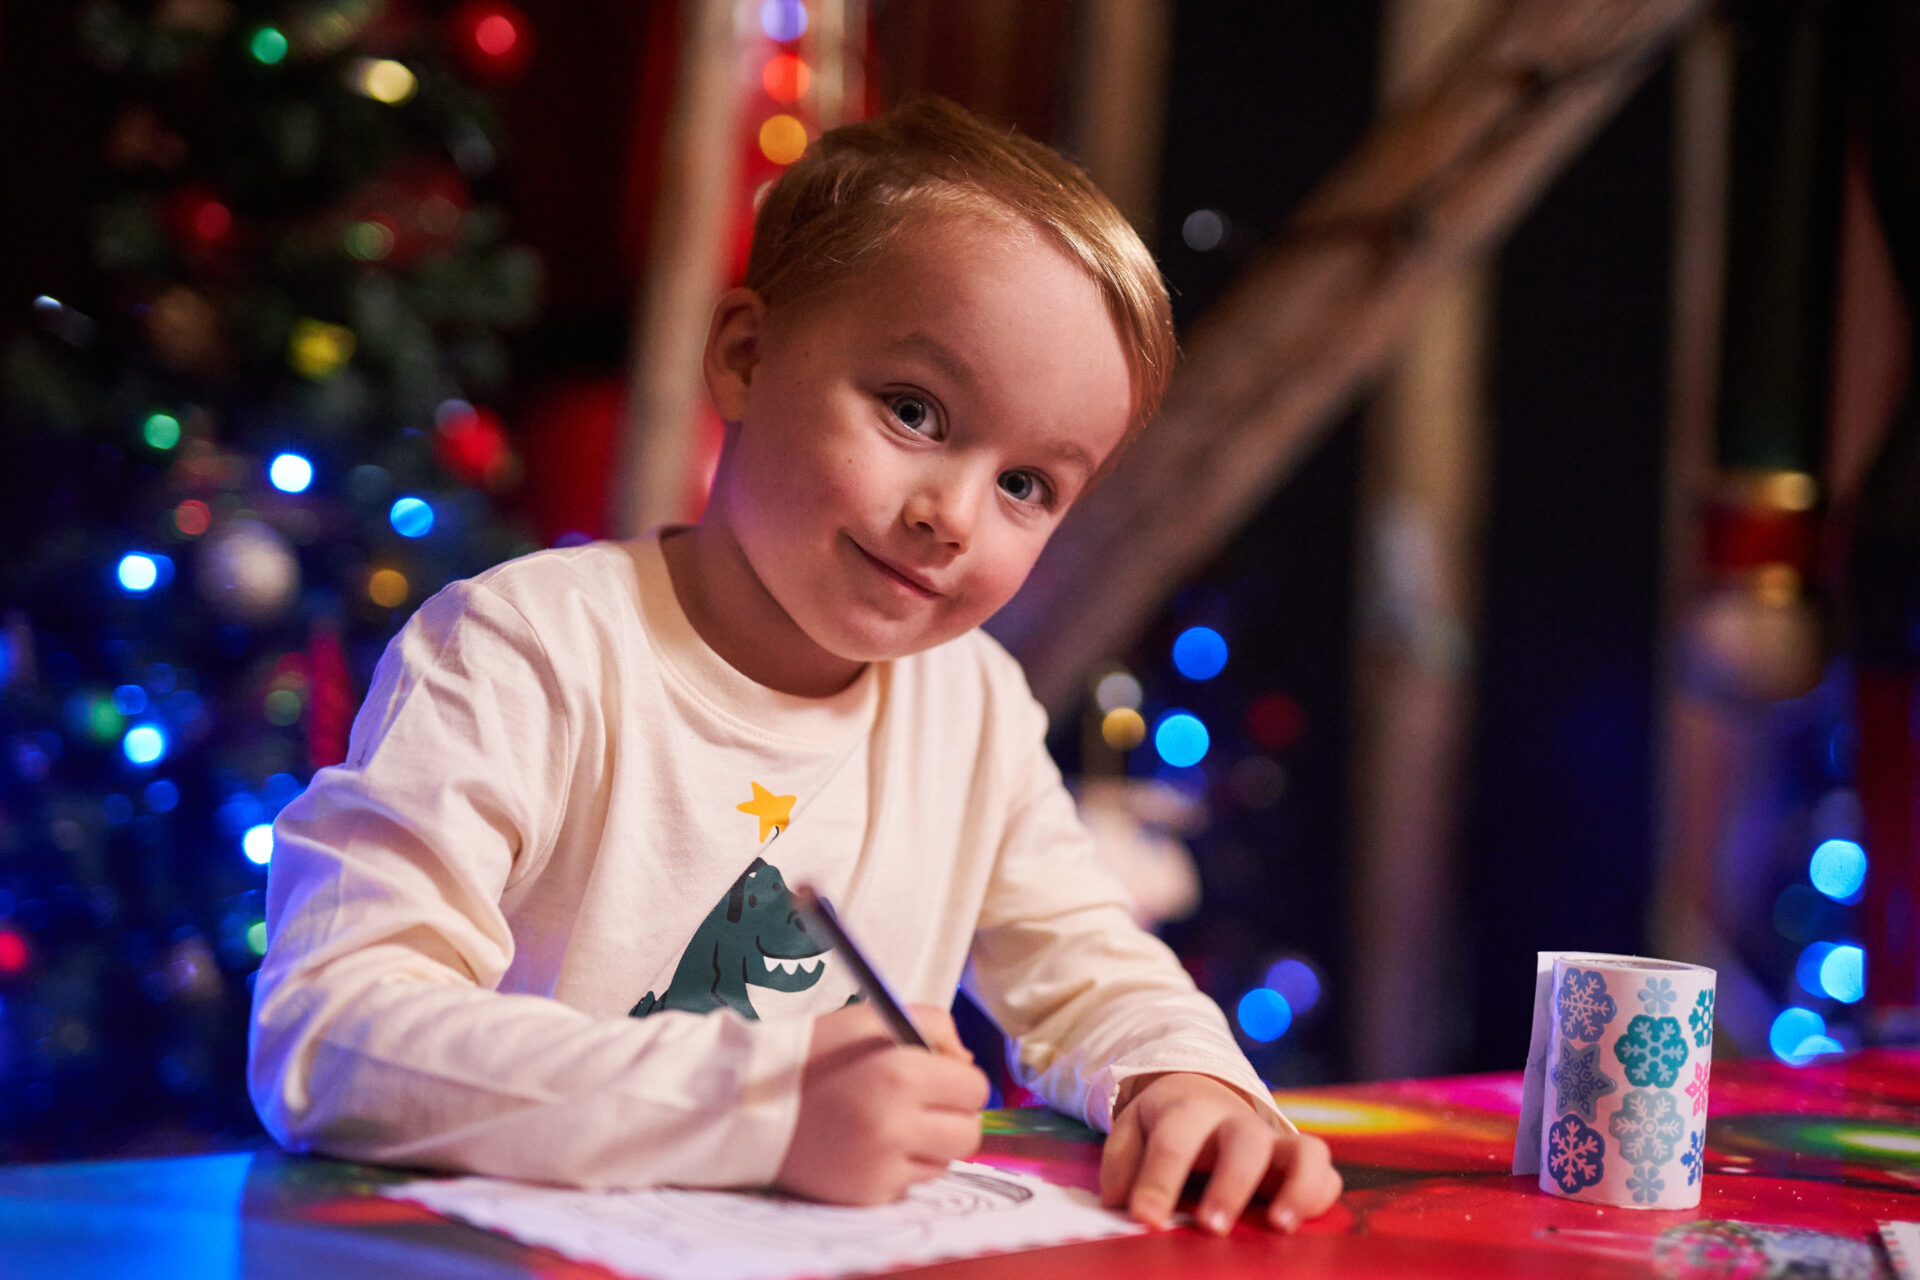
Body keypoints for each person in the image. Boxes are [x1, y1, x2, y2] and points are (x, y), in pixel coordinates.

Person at [249, 97, 1342, 1236]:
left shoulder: (968, 707)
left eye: (1029, 485)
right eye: (914, 411)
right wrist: (760, 1104)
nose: (954, 515)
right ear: (744, 357)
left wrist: (1188, 1080)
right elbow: (329, 1031)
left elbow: (1086, 963)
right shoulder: (523, 651)